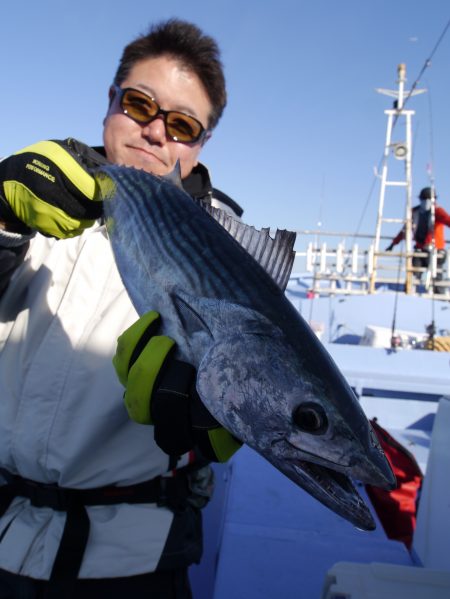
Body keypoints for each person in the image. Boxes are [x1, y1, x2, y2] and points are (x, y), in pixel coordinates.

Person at [0, 19, 242, 599]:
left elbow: (233, 407)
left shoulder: (227, 250)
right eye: (140, 104)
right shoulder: (35, 195)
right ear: (111, 100)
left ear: (200, 144)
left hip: (134, 563)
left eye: (182, 124)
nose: (157, 131)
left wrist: (210, 413)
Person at [386, 186, 450, 293]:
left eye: (428, 199)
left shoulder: (438, 212)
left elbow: (448, 221)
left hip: (436, 251)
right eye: (424, 199)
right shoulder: (414, 212)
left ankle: (441, 298)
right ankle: (411, 293)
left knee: (437, 277)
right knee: (414, 273)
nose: (426, 202)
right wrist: (393, 243)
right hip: (420, 250)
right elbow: (405, 230)